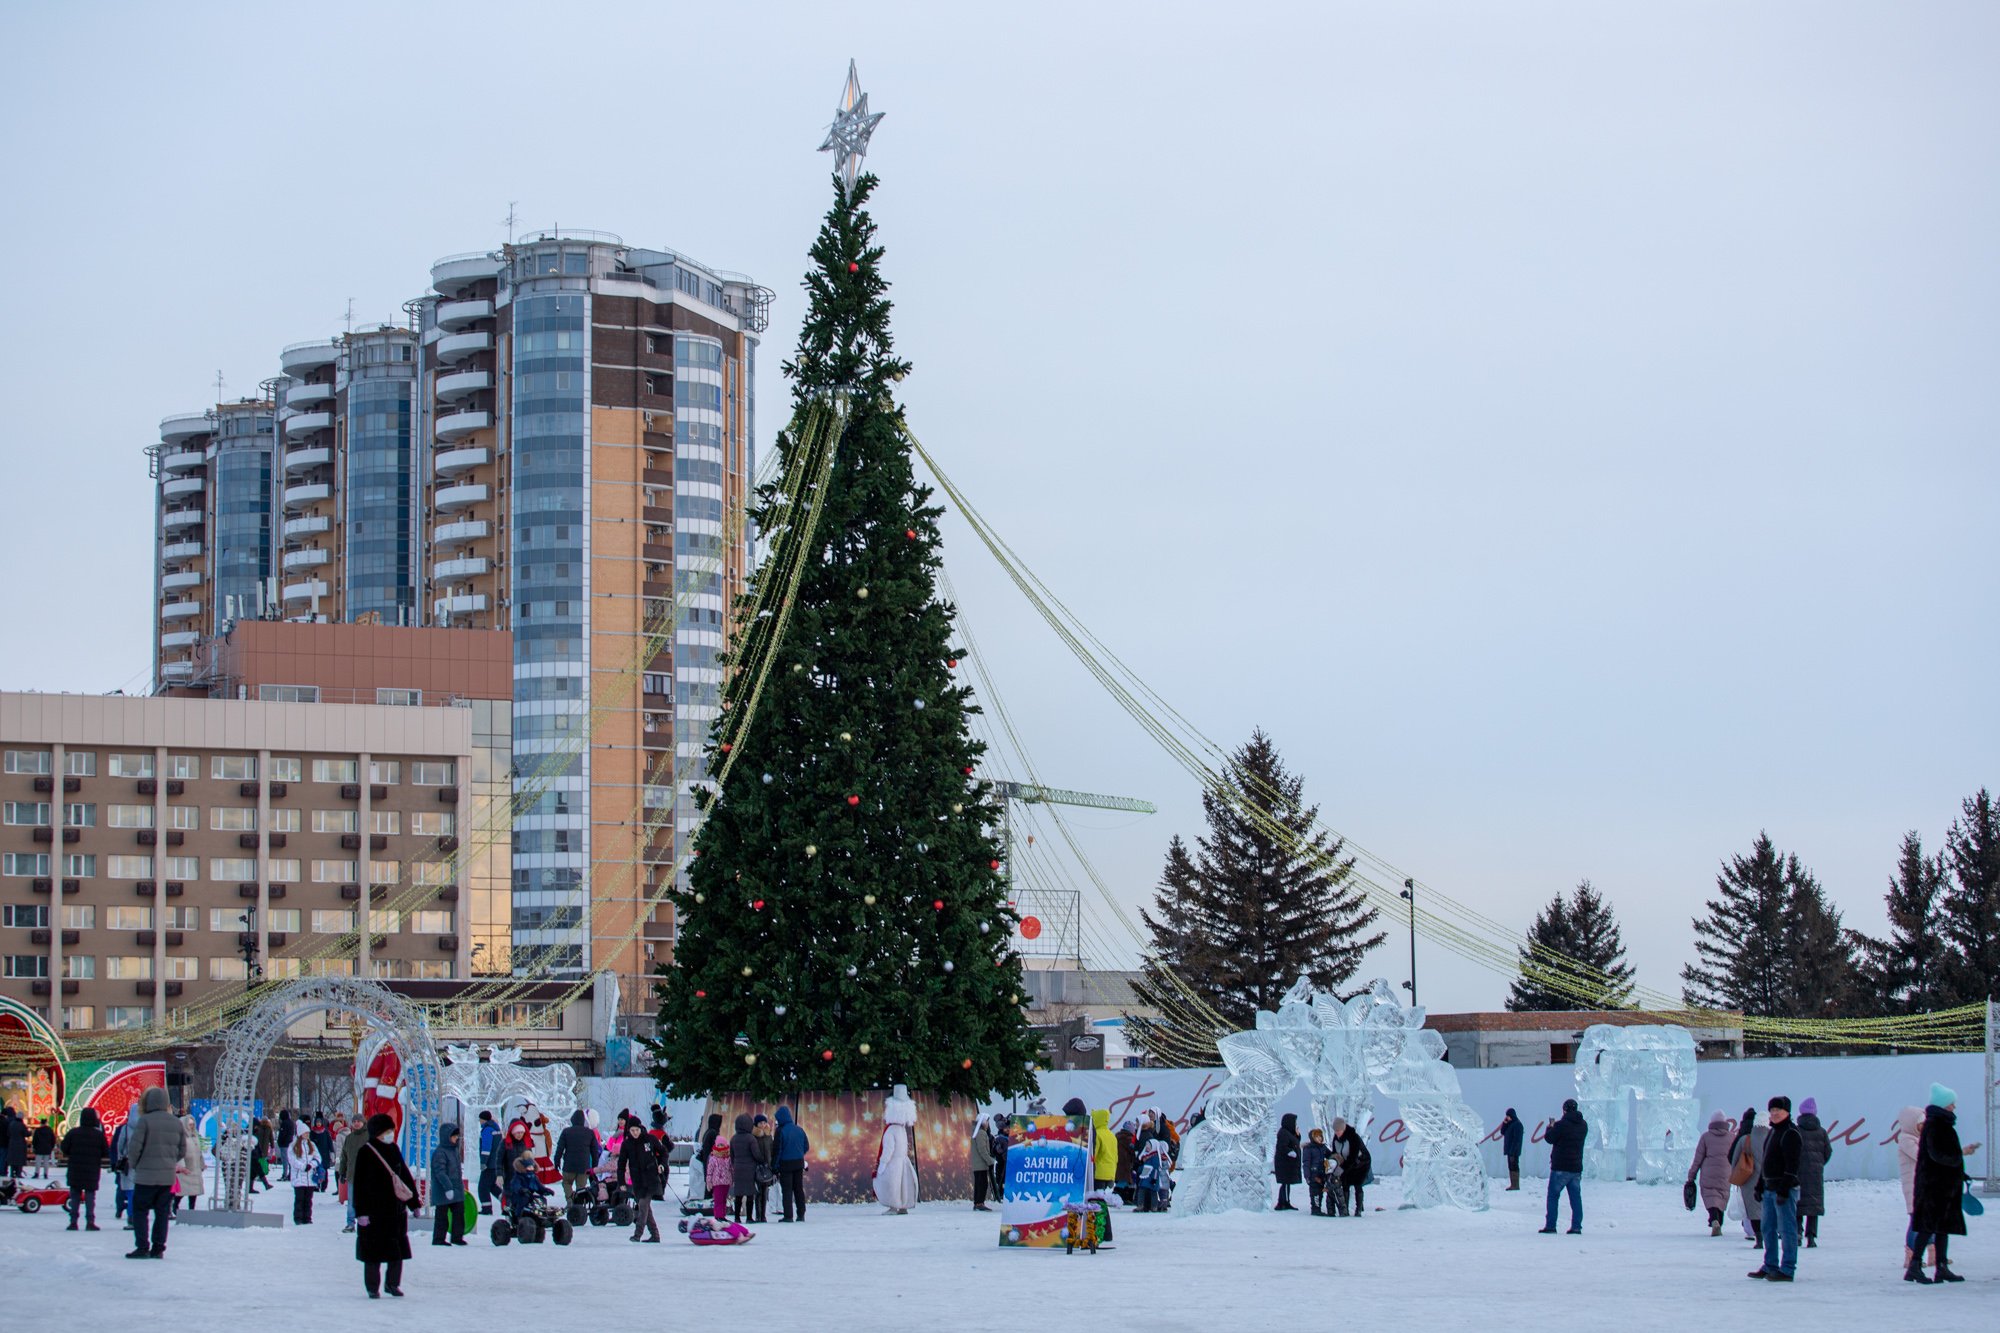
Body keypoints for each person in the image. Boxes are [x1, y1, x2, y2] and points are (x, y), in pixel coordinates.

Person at [1907, 1083, 1979, 1284]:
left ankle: (1941, 1267)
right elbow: (1938, 1155)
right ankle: (1915, 1267)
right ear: (1944, 1104)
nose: (1954, 1107)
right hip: (1935, 1187)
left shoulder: (1939, 1124)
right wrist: (1961, 1153)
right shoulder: (1936, 1125)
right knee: (1929, 1226)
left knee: (1941, 1227)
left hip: (1941, 1185)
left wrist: (1960, 1173)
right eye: (1951, 1103)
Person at [351, 1112, 420, 1299]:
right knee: (373, 1253)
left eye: (391, 1130)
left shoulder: (394, 1149)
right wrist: (361, 1212)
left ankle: (393, 1284)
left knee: (396, 1251)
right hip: (374, 1211)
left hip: (395, 1210)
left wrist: (414, 1203)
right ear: (378, 1132)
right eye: (387, 1131)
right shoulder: (366, 1152)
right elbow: (359, 1184)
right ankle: (372, 1287)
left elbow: (404, 1177)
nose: (391, 1134)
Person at [123, 1086, 186, 1259]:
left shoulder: (144, 1121)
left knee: (140, 1211)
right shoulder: (175, 1122)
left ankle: (142, 1246)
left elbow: (134, 1148)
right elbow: (182, 1150)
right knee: (162, 1213)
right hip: (166, 1177)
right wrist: (169, 1162)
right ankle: (158, 1248)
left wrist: (135, 1165)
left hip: (145, 1176)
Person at [1539, 1098, 1586, 1235]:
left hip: (1560, 1166)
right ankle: (1576, 1226)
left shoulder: (1561, 1125)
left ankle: (1551, 1225)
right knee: (1576, 1198)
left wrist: (1550, 1127)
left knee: (1553, 1196)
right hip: (1576, 1167)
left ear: (1564, 1110)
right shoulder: (1583, 1125)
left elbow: (1549, 1139)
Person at [60, 1106, 109, 1231]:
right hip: (91, 1169)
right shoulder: (98, 1135)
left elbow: (64, 1148)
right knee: (90, 1197)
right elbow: (105, 1152)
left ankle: (73, 1221)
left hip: (75, 1168)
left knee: (75, 1196)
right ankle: (90, 1221)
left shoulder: (73, 1133)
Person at [1686, 1110, 1735, 1236]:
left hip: (1709, 1172)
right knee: (1722, 1196)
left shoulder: (1706, 1137)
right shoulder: (1731, 1137)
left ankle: (1714, 1219)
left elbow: (1698, 1158)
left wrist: (1692, 1175)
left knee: (1710, 1196)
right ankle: (1719, 1221)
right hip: (1726, 1171)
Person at [616, 1119, 665, 1242]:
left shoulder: (650, 1139)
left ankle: (637, 1234)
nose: (635, 1133)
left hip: (651, 1178)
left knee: (643, 1205)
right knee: (646, 1209)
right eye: (632, 1130)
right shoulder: (627, 1144)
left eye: (637, 1130)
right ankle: (655, 1235)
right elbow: (621, 1164)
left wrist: (661, 1165)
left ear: (640, 1128)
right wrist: (621, 1182)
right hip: (637, 1180)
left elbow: (663, 1152)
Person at [873, 1085, 920, 1214]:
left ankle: (894, 1206)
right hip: (903, 1161)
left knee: (892, 1184)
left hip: (893, 1163)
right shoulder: (901, 1129)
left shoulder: (891, 1130)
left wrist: (883, 1163)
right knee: (903, 1185)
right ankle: (903, 1206)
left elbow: (888, 1149)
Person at [1794, 1097, 1832, 1248]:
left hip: (1798, 1173)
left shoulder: (1796, 1130)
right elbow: (1828, 1151)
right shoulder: (1821, 1132)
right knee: (1813, 1205)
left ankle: (1797, 1233)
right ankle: (1811, 1236)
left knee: (1798, 1204)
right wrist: (1819, 1164)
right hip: (1815, 1174)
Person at [1728, 1107, 1765, 1245]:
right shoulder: (1772, 1137)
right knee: (1766, 1207)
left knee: (1752, 1209)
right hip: (1768, 1179)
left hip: (1748, 1179)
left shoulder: (1745, 1139)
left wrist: (1736, 1174)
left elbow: (1733, 1157)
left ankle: (1756, 1234)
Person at [430, 1122, 468, 1247]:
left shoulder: (454, 1150)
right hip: (444, 1190)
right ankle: (439, 1238)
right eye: (454, 1136)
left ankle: (457, 1237)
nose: (456, 1138)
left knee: (459, 1213)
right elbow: (440, 1172)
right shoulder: (440, 1152)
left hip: (455, 1189)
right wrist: (448, 1187)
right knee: (442, 1216)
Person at [554, 1109, 600, 1204]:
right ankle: (578, 1206)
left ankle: (570, 1199)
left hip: (569, 1165)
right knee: (581, 1188)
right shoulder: (589, 1133)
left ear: (572, 1120)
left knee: (566, 1183)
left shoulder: (566, 1132)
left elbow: (559, 1148)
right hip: (584, 1167)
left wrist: (557, 1161)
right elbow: (595, 1151)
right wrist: (595, 1166)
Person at [774, 1105, 810, 1222]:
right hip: (798, 1163)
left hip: (785, 1164)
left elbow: (777, 1150)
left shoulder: (780, 1131)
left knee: (787, 1190)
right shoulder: (799, 1129)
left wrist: (775, 1165)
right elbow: (806, 1146)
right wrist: (799, 1154)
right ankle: (801, 1214)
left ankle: (788, 1215)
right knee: (798, 1188)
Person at [338, 1114, 370, 1231]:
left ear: (363, 1122)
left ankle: (367, 1223)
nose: (356, 1123)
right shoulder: (349, 1138)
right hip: (352, 1175)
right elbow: (344, 1157)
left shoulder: (369, 1136)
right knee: (351, 1202)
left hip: (367, 1176)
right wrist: (342, 1172)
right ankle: (350, 1223)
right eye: (354, 1121)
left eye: (359, 1121)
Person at [110, 1097, 140, 1222]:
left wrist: (118, 1160)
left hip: (127, 1163)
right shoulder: (147, 1127)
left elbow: (118, 1146)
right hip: (143, 1163)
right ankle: (136, 1213)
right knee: (140, 1191)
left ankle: (129, 1213)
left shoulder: (125, 1128)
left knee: (128, 1190)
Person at [727, 1113, 759, 1223]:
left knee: (738, 1194)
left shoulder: (733, 1139)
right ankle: (749, 1217)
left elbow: (732, 1155)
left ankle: (737, 1217)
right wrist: (761, 1160)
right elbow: (756, 1154)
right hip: (750, 1169)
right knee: (750, 1194)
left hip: (738, 1168)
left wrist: (735, 1164)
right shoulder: (751, 1139)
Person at [1334, 1120, 1370, 1217]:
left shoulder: (1354, 1137)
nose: (1337, 1133)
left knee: (1357, 1184)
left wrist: (1341, 1168)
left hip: (1361, 1163)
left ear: (1344, 1129)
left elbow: (1353, 1157)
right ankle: (1345, 1209)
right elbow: (1335, 1153)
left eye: (1339, 1130)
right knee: (1345, 1184)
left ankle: (1358, 1210)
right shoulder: (1336, 1139)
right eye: (1335, 1130)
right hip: (1346, 1163)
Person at [172, 1114, 204, 1215]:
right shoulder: (179, 1136)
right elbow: (178, 1152)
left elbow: (199, 1152)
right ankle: (175, 1206)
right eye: (190, 1124)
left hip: (195, 1167)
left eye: (193, 1124)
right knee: (181, 1191)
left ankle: (192, 1210)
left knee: (194, 1191)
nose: (192, 1126)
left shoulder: (195, 1135)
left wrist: (202, 1164)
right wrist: (181, 1166)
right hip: (186, 1168)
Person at [287, 1129, 320, 1224]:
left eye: (308, 1133)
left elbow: (317, 1157)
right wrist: (303, 1166)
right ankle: (298, 1218)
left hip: (310, 1177)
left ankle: (307, 1217)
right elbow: (292, 1160)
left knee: (308, 1199)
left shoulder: (311, 1144)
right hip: (299, 1177)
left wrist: (311, 1165)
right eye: (305, 1132)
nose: (307, 1134)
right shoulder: (293, 1146)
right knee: (299, 1199)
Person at [1273, 1111, 1303, 1211]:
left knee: (1287, 1183)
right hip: (1285, 1164)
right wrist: (1291, 1152)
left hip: (1288, 1164)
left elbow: (1295, 1142)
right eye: (1294, 1122)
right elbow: (1282, 1146)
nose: (1295, 1125)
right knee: (1285, 1183)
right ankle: (1283, 1203)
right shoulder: (1283, 1133)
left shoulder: (1288, 1132)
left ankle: (1285, 1201)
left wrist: (1298, 1136)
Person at [695, 1111, 724, 1210]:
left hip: (706, 1161)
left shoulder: (708, 1132)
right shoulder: (713, 1133)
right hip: (712, 1162)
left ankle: (708, 1204)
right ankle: (710, 1205)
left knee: (709, 1184)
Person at [750, 1114, 775, 1223]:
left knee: (765, 1192)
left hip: (767, 1167)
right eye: (760, 1123)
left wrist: (771, 1164)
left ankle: (763, 1215)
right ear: (756, 1124)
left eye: (764, 1123)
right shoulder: (753, 1136)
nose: (763, 1125)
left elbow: (771, 1150)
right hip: (757, 1166)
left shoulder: (769, 1135)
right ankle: (758, 1215)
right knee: (758, 1192)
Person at [705, 1132, 734, 1222]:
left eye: (722, 1145)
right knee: (718, 1200)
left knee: (724, 1200)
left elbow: (731, 1169)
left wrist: (732, 1179)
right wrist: (709, 1182)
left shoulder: (728, 1157)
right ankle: (718, 1215)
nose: (721, 1147)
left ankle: (722, 1215)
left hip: (726, 1181)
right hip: (716, 1182)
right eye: (719, 1145)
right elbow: (709, 1171)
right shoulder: (713, 1158)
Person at [474, 1110, 500, 1213]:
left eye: (480, 1119)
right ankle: (506, 1201)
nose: (479, 1121)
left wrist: (483, 1162)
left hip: (489, 1164)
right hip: (496, 1163)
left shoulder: (487, 1130)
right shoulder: (496, 1128)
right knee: (492, 1186)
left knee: (483, 1187)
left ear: (483, 1119)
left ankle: (486, 1208)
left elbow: (486, 1148)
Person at [969, 1113, 994, 1211]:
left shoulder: (976, 1132)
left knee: (979, 1183)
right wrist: (990, 1161)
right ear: (983, 1122)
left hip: (978, 1164)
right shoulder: (981, 1133)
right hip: (981, 1164)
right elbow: (982, 1150)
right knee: (982, 1184)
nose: (988, 1124)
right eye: (987, 1121)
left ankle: (977, 1202)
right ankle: (979, 1203)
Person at [1303, 1128, 1331, 1215]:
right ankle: (1315, 1209)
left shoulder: (1323, 1147)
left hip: (1322, 1173)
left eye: (1320, 1136)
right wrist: (1307, 1175)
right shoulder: (1308, 1148)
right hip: (1313, 1174)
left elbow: (1330, 1155)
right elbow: (1306, 1162)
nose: (1319, 1138)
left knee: (1320, 1191)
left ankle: (1318, 1207)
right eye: (1317, 1137)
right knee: (1315, 1192)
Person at [1091, 1107, 1117, 1197]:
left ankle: (1100, 1211)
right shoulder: (1112, 1135)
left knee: (1097, 1200)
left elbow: (1094, 1154)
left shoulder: (1097, 1134)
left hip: (1099, 1173)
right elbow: (1116, 1156)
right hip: (1111, 1174)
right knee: (1104, 1200)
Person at [1499, 1108, 1524, 1191]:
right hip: (1510, 1150)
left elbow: (1517, 1140)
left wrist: (1513, 1151)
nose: (1507, 1117)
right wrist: (1504, 1123)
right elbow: (1502, 1132)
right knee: (1511, 1166)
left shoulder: (1517, 1125)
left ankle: (1515, 1185)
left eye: (1508, 1116)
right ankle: (1513, 1184)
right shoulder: (1509, 1124)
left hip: (1514, 1151)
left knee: (1514, 1166)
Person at [249, 1116, 273, 1193]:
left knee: (253, 1172)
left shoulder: (254, 1131)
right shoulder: (252, 1133)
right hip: (254, 1155)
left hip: (256, 1154)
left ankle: (251, 1188)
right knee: (258, 1169)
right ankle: (266, 1184)